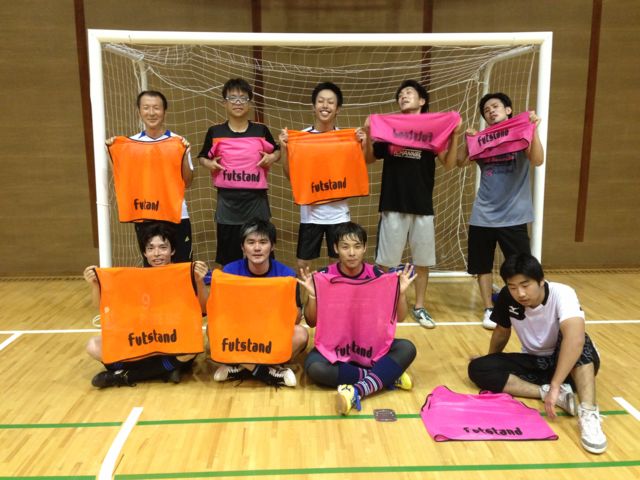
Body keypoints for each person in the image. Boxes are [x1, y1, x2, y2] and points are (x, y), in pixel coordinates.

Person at [468, 253, 607, 454]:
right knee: (478, 367)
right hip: (535, 362)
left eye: (525, 285)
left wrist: (556, 384)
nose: (520, 293)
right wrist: (492, 360)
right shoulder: (507, 297)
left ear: (541, 281)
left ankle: (588, 413)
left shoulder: (563, 293)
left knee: (579, 339)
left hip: (571, 364)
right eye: (513, 287)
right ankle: (549, 393)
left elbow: (575, 340)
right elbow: (502, 331)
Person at [365, 80, 461, 329]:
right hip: (393, 203)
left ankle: (419, 307)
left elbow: (449, 163)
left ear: (422, 101)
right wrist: (367, 134)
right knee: (386, 262)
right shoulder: (390, 127)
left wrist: (455, 135)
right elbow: (369, 158)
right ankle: (385, 304)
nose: (403, 96)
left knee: (422, 261)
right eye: (400, 94)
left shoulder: (433, 130)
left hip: (422, 206)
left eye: (409, 92)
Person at [299, 222, 417, 415]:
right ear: (336, 248)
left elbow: (401, 317)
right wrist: (313, 295)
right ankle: (385, 376)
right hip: (337, 347)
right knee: (315, 368)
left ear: (364, 248)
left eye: (357, 246)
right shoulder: (324, 276)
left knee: (407, 348)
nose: (352, 253)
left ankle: (359, 390)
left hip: (370, 347)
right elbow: (312, 322)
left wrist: (401, 293)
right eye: (345, 247)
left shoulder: (377, 276)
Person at [85, 222, 209, 388]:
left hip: (173, 342)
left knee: (191, 348)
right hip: (144, 341)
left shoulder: (185, 275)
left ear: (172, 250)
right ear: (144, 252)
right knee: (93, 346)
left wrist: (199, 281)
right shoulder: (135, 278)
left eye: (163, 247)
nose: (157, 253)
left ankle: (124, 375)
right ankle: (164, 370)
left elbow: (204, 309)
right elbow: (101, 305)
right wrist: (95, 284)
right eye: (151, 248)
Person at [459, 92, 544, 329]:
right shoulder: (482, 139)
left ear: (508, 110)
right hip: (483, 215)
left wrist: (533, 130)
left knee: (521, 265)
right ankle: (489, 307)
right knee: (482, 265)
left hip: (514, 215)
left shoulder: (520, 132)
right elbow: (460, 162)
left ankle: (522, 304)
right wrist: (467, 140)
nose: (491, 111)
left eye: (495, 106)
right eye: (486, 110)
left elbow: (537, 160)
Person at [279, 82, 369, 272]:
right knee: (303, 264)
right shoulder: (301, 138)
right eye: (321, 101)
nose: (325, 105)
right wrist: (284, 148)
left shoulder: (347, 139)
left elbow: (358, 169)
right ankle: (306, 293)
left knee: (338, 264)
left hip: (339, 214)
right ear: (314, 106)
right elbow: (290, 176)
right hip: (310, 216)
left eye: (330, 102)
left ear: (338, 109)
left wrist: (362, 144)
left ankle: (334, 293)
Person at [212, 219, 309, 387]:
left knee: (301, 334)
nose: (257, 248)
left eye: (263, 242)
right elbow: (222, 312)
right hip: (241, 332)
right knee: (213, 330)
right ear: (243, 247)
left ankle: (242, 367)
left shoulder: (286, 274)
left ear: (272, 246)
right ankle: (268, 371)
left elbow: (295, 319)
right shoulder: (229, 272)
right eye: (251, 242)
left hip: (272, 332)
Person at [198, 78, 280, 267]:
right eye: (232, 98)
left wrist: (271, 158)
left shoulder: (261, 130)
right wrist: (209, 163)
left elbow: (277, 151)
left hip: (256, 203)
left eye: (243, 98)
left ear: (249, 103)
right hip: (227, 205)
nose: (238, 102)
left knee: (261, 256)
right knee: (229, 261)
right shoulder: (215, 131)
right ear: (224, 103)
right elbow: (202, 157)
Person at [107, 90, 194, 264]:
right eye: (146, 108)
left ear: (164, 112)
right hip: (145, 214)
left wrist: (184, 156)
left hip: (176, 214)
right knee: (152, 268)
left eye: (156, 108)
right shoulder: (130, 144)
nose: (151, 112)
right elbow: (122, 175)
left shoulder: (178, 142)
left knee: (182, 267)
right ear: (139, 111)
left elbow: (188, 181)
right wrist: (112, 151)